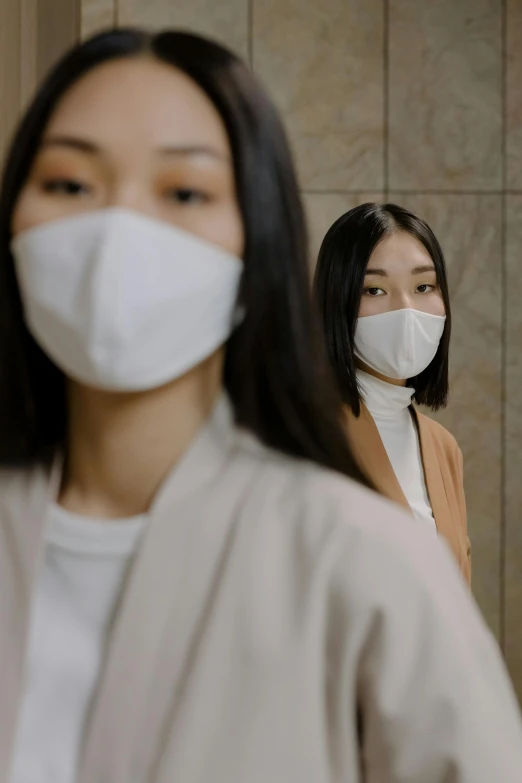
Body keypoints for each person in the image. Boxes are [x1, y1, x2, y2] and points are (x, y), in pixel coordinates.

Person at [0, 28, 521, 783]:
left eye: (184, 192)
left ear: (258, 248)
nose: (121, 229)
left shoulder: (363, 564)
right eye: (71, 185)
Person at [314, 203, 471, 584]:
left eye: (423, 287)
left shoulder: (442, 447)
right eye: (374, 289)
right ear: (338, 303)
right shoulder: (309, 435)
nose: (406, 309)